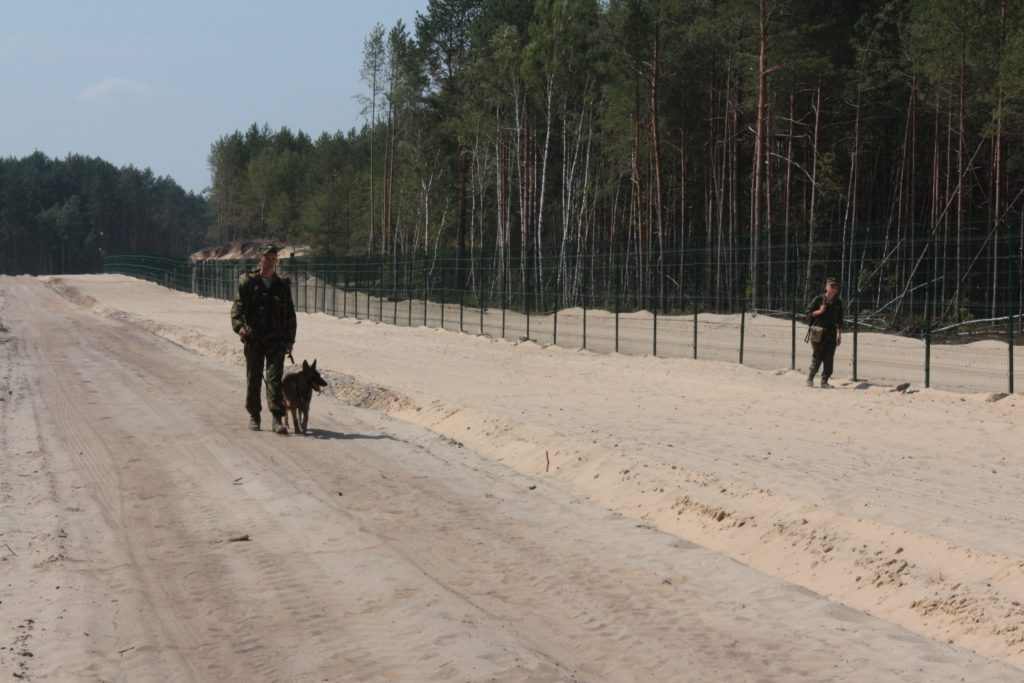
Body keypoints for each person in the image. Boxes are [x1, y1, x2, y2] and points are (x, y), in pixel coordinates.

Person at [231, 244, 297, 433]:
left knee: (274, 379)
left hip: (276, 340)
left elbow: (290, 314)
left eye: (273, 258)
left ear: (276, 260)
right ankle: (254, 415)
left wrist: (290, 339)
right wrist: (239, 327)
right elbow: (237, 308)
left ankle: (277, 418)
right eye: (267, 258)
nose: (270, 262)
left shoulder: (282, 285)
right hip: (254, 339)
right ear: (260, 259)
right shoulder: (248, 282)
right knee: (254, 377)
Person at [806, 278, 844, 388]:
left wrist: (839, 336)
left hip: (831, 334)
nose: (834, 288)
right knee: (817, 357)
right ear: (826, 287)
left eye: (835, 287)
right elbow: (808, 313)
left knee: (829, 359)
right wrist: (820, 311)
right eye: (831, 286)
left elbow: (840, 320)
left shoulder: (838, 302)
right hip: (818, 332)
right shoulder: (818, 299)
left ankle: (824, 381)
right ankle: (810, 378)